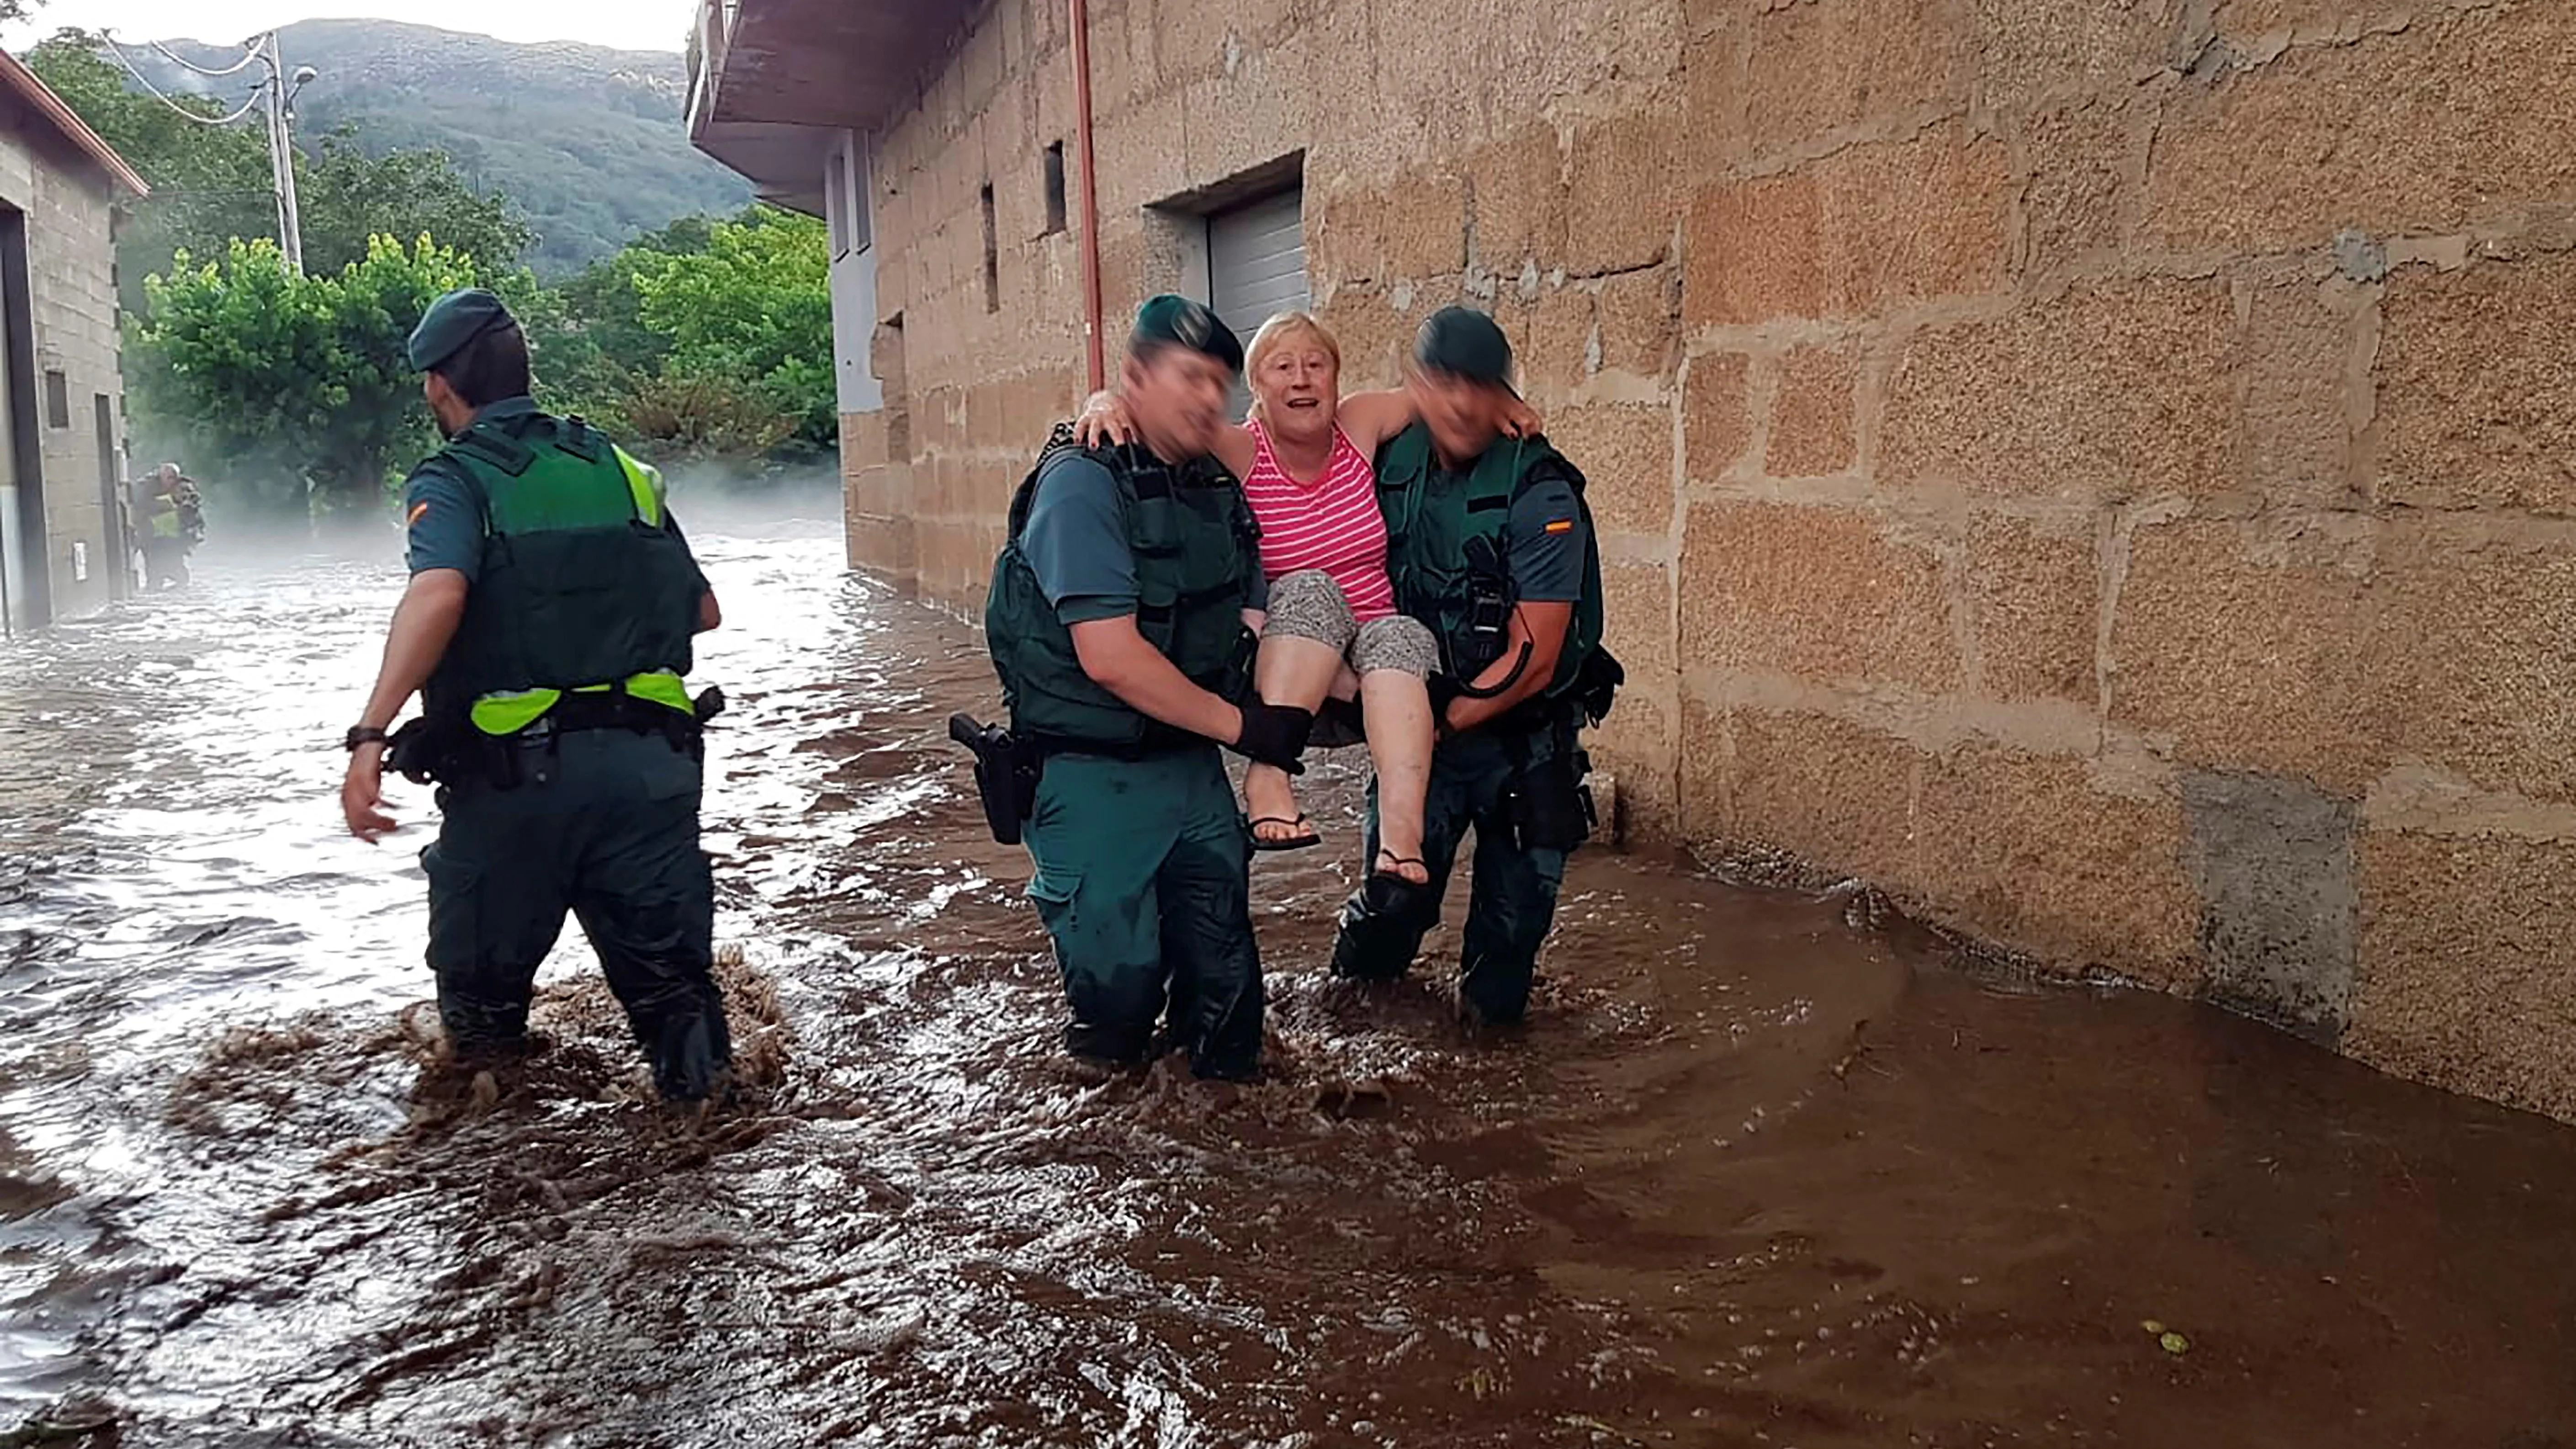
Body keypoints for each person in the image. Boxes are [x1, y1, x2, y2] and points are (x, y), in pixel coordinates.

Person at [336, 288, 735, 1104]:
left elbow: (438, 594)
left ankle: (498, 1182)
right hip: (650, 773)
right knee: (678, 1001)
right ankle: (712, 1138)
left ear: (438, 387)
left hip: (517, 783)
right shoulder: (624, 470)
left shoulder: (453, 480)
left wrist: (370, 734)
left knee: (482, 1032)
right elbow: (703, 610)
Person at [1074, 312, 1542, 894]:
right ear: (1258, 393)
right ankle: (1269, 780)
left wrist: (1502, 403)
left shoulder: (1360, 423)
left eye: (1316, 365)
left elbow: (1437, 396)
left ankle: (1401, 837)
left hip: (1372, 673)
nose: (1302, 380)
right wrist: (1100, 402)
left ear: (1336, 380)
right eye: (1283, 367)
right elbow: (1152, 417)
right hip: (1295, 673)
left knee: (1404, 633)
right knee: (1308, 586)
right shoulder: (1243, 450)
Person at [977, 295, 1312, 1080]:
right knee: (1117, 1013)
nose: (1207, 398)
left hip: (1189, 773)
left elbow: (1249, 603)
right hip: (1089, 779)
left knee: (1229, 1004)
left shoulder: (1214, 486)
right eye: (1188, 376)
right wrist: (1246, 728)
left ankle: (1229, 1161)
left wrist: (1261, 679)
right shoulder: (1080, 483)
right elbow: (1110, 659)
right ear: (1133, 377)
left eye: (1219, 383)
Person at [1329, 307, 1621, 1029]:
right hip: (1421, 743)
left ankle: (1491, 1075)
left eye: (1480, 385)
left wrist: (1438, 724)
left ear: (1505, 394)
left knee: (1507, 944)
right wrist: (1105, 406)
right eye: (1442, 382)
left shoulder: (1540, 487)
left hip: (1524, 742)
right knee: (1391, 912)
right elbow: (1268, 439)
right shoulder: (1380, 458)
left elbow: (1537, 653)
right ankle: (1344, 1033)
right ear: (1414, 386)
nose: (1460, 403)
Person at [134, 464, 197, 590]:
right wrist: (164, 505)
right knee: (154, 576)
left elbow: (192, 511)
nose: (172, 481)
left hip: (173, 537)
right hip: (150, 536)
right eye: (169, 478)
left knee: (181, 577)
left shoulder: (184, 488)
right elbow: (140, 506)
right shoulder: (147, 488)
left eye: (174, 478)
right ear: (161, 477)